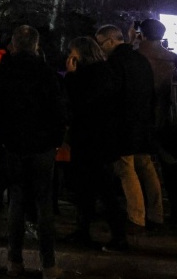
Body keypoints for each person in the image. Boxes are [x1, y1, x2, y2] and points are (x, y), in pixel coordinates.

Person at [0, 26, 65, 279]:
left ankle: (14, 260)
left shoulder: (4, 72)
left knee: (16, 200)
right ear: (36, 45)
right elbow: (57, 111)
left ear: (13, 44)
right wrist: (56, 140)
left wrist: (2, 139)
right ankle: (48, 263)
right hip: (42, 145)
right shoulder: (46, 73)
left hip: (14, 144)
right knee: (43, 203)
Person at [63, 36, 128, 251]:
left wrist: (71, 78)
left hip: (93, 141)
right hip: (100, 140)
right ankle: (84, 231)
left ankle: (118, 236)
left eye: (73, 53)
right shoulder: (105, 72)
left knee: (102, 191)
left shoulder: (91, 76)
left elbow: (78, 102)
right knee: (89, 190)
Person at [96, 24, 163, 231]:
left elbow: (110, 97)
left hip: (124, 124)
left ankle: (136, 216)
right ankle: (156, 214)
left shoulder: (114, 63)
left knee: (126, 169)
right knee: (146, 167)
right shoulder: (141, 60)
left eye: (99, 43)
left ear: (110, 41)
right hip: (143, 123)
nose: (99, 48)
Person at [136, 18, 177, 222]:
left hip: (142, 117)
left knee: (141, 166)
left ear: (142, 33)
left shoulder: (137, 56)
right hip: (165, 117)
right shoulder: (171, 59)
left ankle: (145, 210)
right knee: (170, 165)